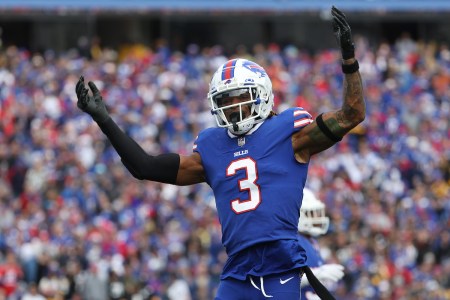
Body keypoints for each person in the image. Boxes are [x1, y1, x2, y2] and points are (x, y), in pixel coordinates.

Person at [75, 6, 364, 300]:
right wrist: (104, 119)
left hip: (280, 270)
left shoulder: (290, 133)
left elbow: (352, 114)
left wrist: (349, 59)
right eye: (226, 101)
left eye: (241, 98)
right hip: (237, 274)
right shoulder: (213, 147)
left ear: (262, 95)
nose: (233, 108)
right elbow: (144, 167)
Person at [298, 188, 345, 300]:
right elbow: (282, 280)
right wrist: (317, 274)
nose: (317, 218)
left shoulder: (311, 240)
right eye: (312, 213)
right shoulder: (293, 240)